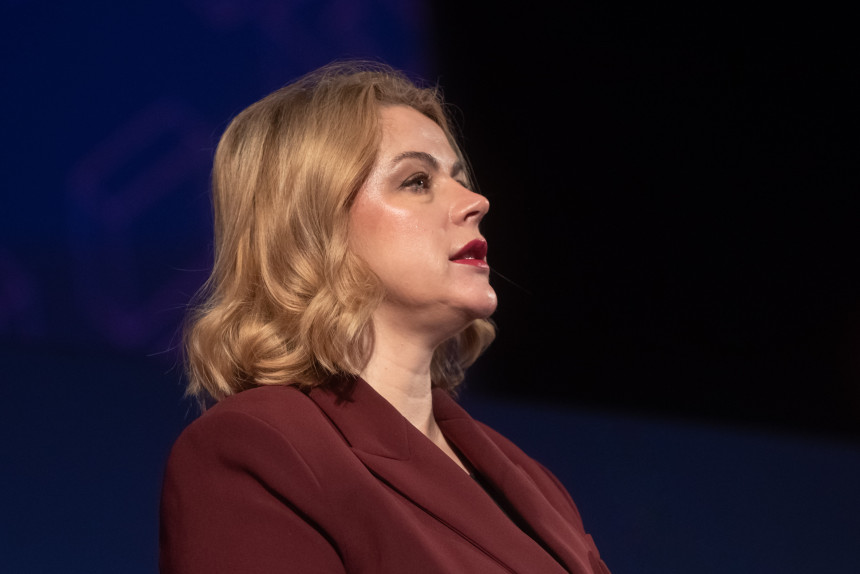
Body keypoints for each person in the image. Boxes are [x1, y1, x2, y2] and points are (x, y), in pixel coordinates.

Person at [159, 61, 611, 574]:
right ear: (315, 227)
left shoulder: (534, 485)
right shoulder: (259, 447)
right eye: (417, 181)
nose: (477, 202)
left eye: (460, 179)